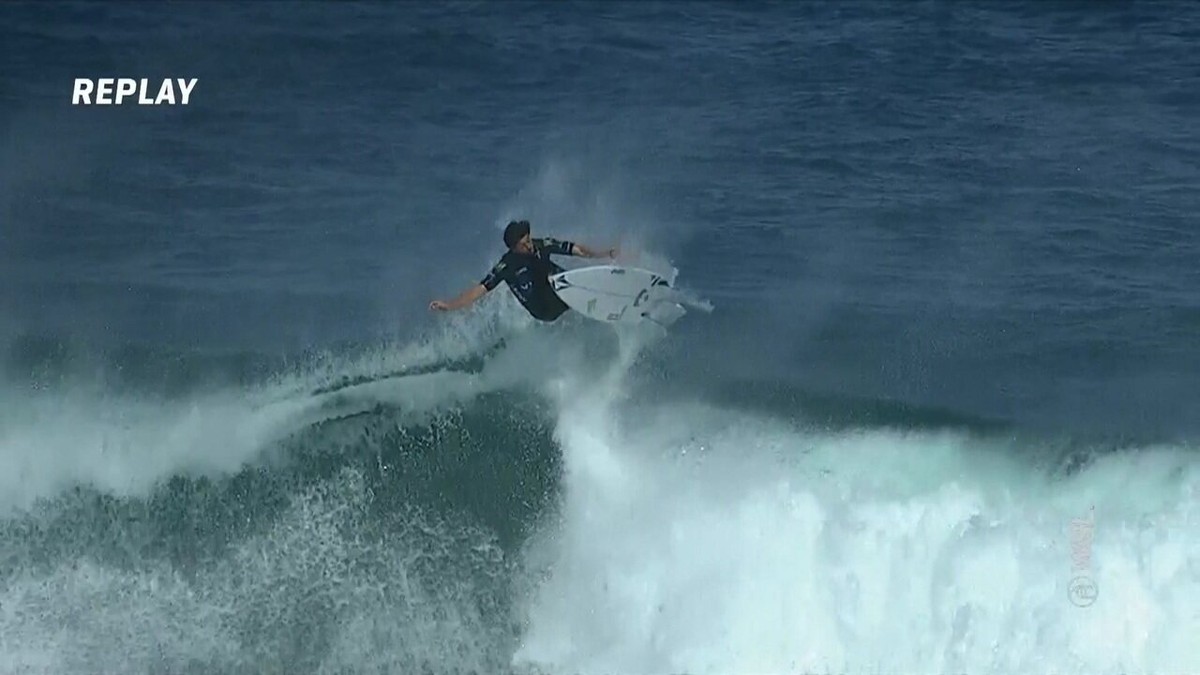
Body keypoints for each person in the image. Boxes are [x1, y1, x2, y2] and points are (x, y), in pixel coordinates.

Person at [429, 219, 618, 321]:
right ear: (513, 247)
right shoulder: (507, 265)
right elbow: (479, 289)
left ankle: (607, 295)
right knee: (541, 270)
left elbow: (575, 249)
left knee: (551, 266)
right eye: (523, 243)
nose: (529, 245)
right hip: (543, 308)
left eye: (528, 239)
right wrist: (450, 305)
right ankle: (584, 295)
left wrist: (604, 254)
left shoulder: (539, 244)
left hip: (556, 291)